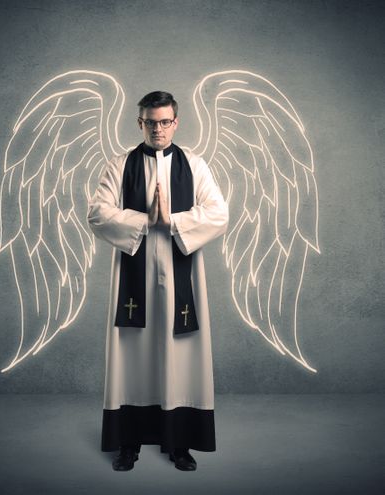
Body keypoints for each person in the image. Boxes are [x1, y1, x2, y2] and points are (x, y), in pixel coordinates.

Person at [87, 91, 229, 471]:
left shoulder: (194, 165)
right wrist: (145, 220)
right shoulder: (120, 165)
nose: (158, 129)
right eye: (151, 122)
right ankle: (128, 442)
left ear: (176, 123)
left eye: (165, 121)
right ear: (140, 123)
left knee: (180, 355)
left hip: (181, 275)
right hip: (134, 279)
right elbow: (98, 214)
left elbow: (219, 213)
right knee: (132, 355)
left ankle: (179, 442)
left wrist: (174, 222)